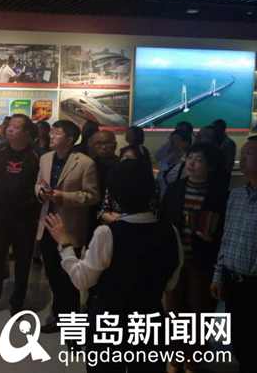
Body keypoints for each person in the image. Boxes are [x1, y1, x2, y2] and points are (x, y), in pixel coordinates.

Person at [45, 159, 182, 373]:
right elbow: (171, 282)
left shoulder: (108, 233)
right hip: (150, 321)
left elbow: (82, 280)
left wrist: (64, 243)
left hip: (109, 323)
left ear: (115, 195)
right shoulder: (171, 232)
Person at [160, 143, 228, 373]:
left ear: (210, 166)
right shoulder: (175, 189)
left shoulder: (219, 194)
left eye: (199, 160)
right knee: (174, 311)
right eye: (190, 158)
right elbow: (164, 221)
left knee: (199, 311)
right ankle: (175, 356)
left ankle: (193, 358)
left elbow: (223, 230)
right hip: (176, 261)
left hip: (203, 261)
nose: (192, 163)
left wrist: (210, 235)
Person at [35, 120, 99, 334]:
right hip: (47, 225)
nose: (51, 136)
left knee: (69, 278)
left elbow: (92, 196)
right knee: (53, 275)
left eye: (57, 133)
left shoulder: (85, 163)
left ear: (70, 139)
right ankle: (59, 314)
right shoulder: (45, 158)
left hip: (70, 227)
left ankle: (71, 322)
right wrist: (40, 191)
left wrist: (63, 196)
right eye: (51, 133)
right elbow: (38, 183)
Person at [0, 114, 39, 318]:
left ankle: (17, 303)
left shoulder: (37, 156)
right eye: (10, 126)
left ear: (27, 133)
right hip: (0, 215)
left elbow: (40, 184)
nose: (10, 129)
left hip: (25, 218)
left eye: (16, 127)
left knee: (23, 261)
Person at [211, 136, 257, 373]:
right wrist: (218, 275)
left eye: (249, 152)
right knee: (239, 341)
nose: (243, 157)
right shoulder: (236, 196)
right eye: (244, 152)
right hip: (233, 281)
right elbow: (227, 237)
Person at [157, 129, 193, 200]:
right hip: (164, 194)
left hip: (180, 196)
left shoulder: (190, 159)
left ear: (186, 142)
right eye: (171, 140)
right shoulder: (169, 155)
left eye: (176, 139)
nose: (172, 142)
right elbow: (157, 157)